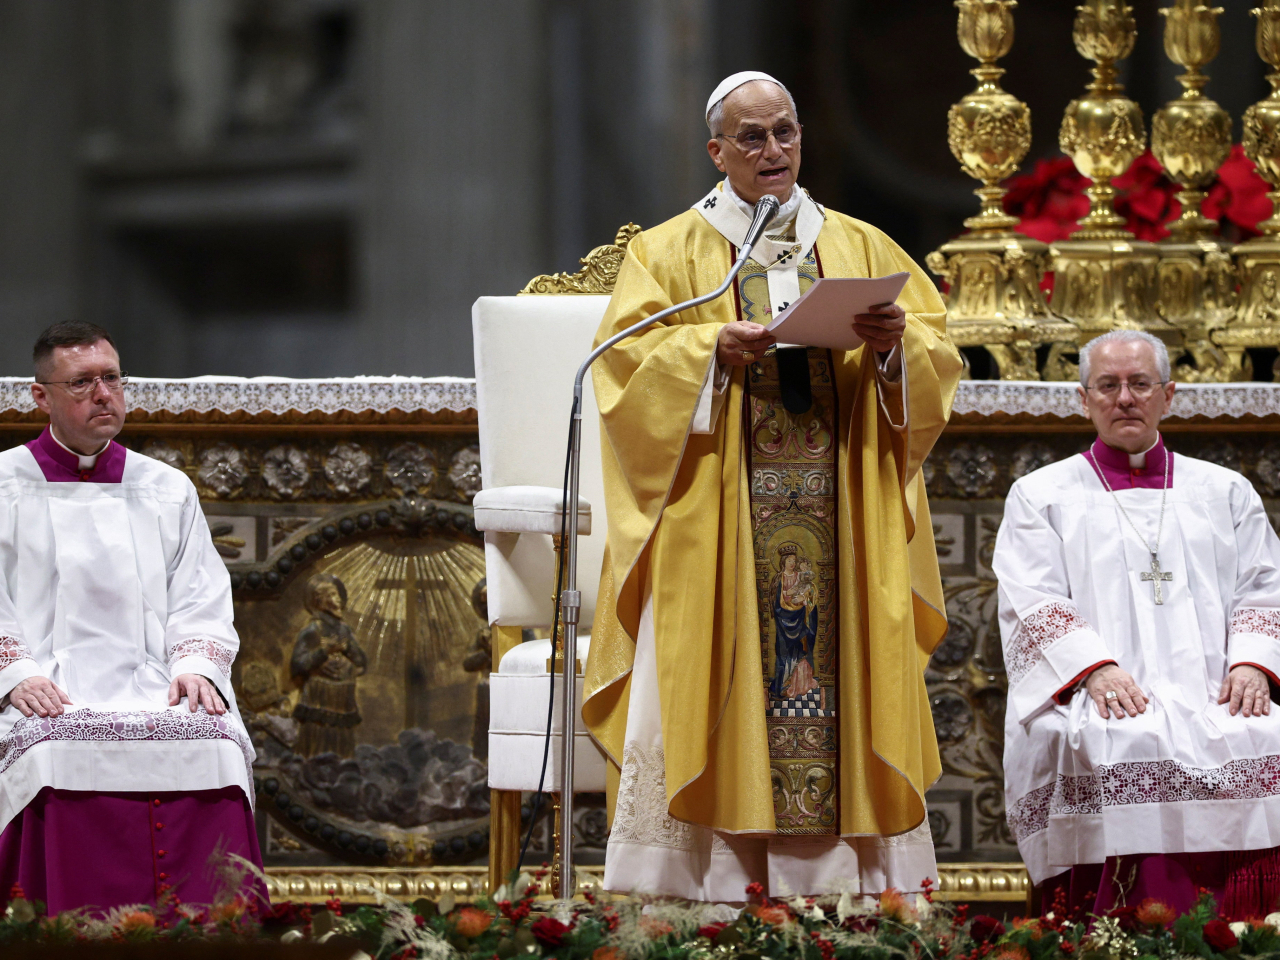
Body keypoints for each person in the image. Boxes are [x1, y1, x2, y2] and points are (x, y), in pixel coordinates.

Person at [583, 71, 963, 899]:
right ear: (717, 151)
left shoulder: (860, 244)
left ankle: (852, 894)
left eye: (785, 133)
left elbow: (938, 356)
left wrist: (896, 347)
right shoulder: (669, 252)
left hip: (844, 510)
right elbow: (619, 377)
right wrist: (706, 354)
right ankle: (699, 894)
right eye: (751, 138)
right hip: (714, 522)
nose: (773, 151)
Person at [995, 328, 1280, 917]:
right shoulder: (1041, 493)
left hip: (1213, 688)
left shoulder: (1224, 491)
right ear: (1083, 398)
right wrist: (1092, 671)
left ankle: (1251, 932)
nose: (1125, 398)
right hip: (1102, 690)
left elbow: (1264, 583)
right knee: (1119, 739)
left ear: (1167, 395)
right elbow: (1032, 595)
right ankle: (1115, 933)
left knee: (1264, 734)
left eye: (1140, 384)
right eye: (1108, 385)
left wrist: (1253, 662)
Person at [0, 322, 264, 913]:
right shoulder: (3, 484)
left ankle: (213, 931)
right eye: (82, 383)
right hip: (44, 684)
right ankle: (52, 930)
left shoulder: (164, 488)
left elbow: (201, 594)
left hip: (151, 679)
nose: (104, 394)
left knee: (217, 742)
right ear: (40, 396)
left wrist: (196, 664)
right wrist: (15, 673)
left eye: (112, 378)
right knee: (47, 749)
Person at [291, 573, 367, 758]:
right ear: (319, 601)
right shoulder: (313, 630)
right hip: (320, 697)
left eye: (338, 595)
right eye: (332, 595)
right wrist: (323, 652)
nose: (338, 600)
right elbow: (298, 664)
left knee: (341, 744)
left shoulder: (344, 630)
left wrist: (347, 649)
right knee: (318, 740)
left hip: (342, 699)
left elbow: (361, 662)